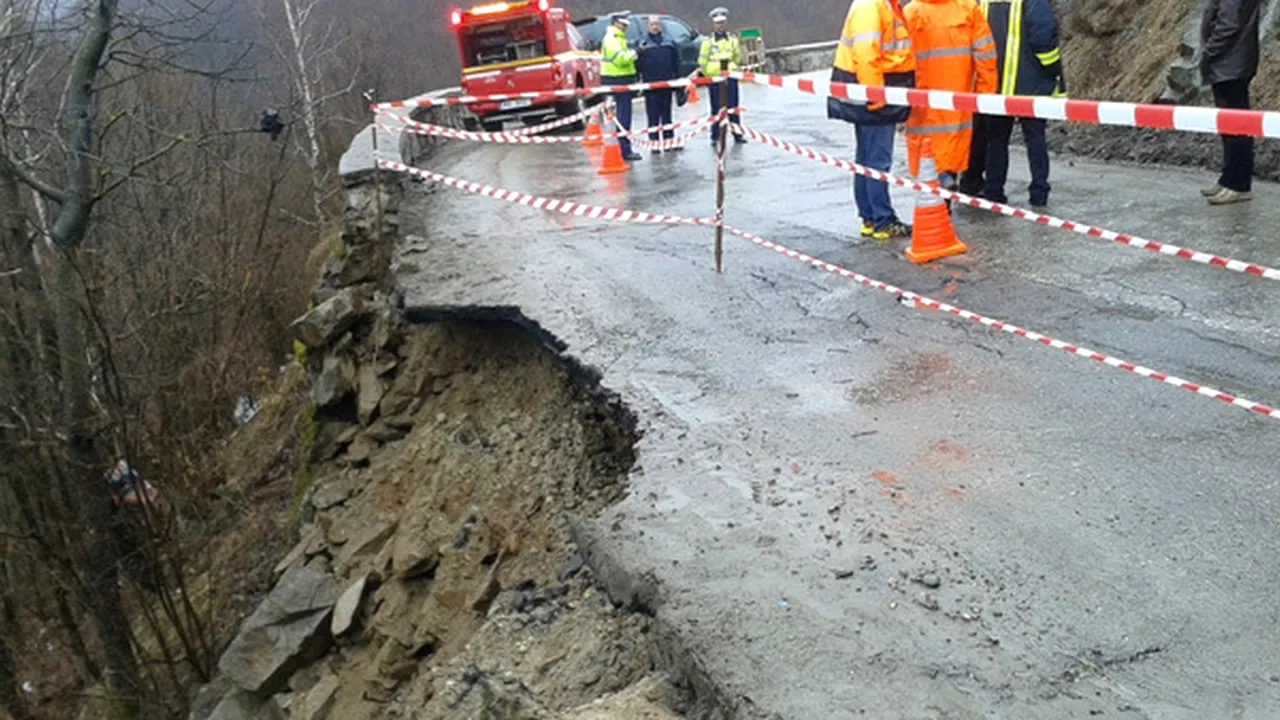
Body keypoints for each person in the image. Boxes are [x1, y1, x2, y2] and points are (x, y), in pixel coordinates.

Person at [959, 0, 1065, 209]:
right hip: (1030, 84)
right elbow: (1042, 37)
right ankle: (1039, 194)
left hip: (995, 85)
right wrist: (1054, 69)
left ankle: (994, 191)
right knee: (1035, 139)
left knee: (996, 141)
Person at [828, 0, 916, 240]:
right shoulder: (873, 6)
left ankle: (870, 217)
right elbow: (866, 55)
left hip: (871, 92)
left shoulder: (881, 5)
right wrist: (876, 97)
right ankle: (882, 220)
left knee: (866, 158)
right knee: (877, 160)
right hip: (875, 95)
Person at [903, 0, 998, 194]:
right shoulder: (968, 9)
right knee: (952, 151)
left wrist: (900, 97)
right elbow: (986, 56)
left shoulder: (911, 12)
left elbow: (900, 57)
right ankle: (946, 181)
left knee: (927, 163)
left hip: (922, 103)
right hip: (957, 103)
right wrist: (985, 96)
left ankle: (940, 186)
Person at [1199, 0, 1261, 205]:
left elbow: (1229, 24)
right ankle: (1228, 179)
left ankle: (1238, 184)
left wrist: (1209, 51)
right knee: (1230, 126)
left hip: (1230, 63)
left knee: (1236, 129)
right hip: (1232, 63)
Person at [698, 7, 746, 145]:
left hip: (730, 77)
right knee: (716, 109)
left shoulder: (732, 40)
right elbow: (702, 62)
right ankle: (715, 136)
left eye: (723, 23)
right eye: (718, 23)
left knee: (733, 107)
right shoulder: (708, 42)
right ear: (714, 24)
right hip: (715, 79)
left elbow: (737, 57)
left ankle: (737, 134)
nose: (721, 26)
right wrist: (710, 75)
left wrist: (732, 69)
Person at [601, 11, 643, 161]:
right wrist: (636, 52)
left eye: (626, 25)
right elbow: (621, 60)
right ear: (615, 23)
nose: (625, 27)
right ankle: (624, 150)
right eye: (623, 24)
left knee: (620, 117)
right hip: (617, 81)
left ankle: (623, 149)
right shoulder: (612, 39)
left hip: (619, 80)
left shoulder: (618, 38)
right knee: (623, 117)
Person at [637, 16, 682, 154]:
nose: (655, 27)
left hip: (666, 84)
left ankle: (669, 141)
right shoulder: (642, 43)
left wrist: (677, 81)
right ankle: (654, 144)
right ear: (648, 26)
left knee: (667, 115)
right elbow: (637, 64)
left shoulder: (669, 42)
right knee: (652, 116)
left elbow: (676, 61)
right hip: (650, 86)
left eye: (656, 24)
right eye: (652, 24)